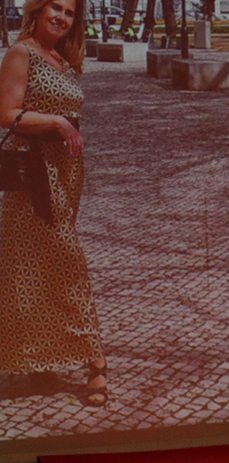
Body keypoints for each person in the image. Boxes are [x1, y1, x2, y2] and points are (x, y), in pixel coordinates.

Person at [0, 0, 107, 406]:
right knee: (67, 263)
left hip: (65, 173)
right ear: (38, 9)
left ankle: (40, 361)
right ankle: (96, 363)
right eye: (55, 8)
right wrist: (56, 122)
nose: (61, 17)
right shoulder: (21, 53)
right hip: (34, 174)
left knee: (39, 264)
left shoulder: (63, 60)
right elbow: (6, 113)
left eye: (69, 13)